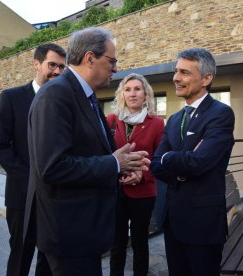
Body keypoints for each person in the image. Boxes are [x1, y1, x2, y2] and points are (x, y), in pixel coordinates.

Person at [25, 27, 150, 275]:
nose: (115, 69)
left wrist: (122, 170)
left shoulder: (86, 96)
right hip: (70, 235)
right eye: (112, 61)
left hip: (83, 232)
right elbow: (53, 167)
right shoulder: (56, 95)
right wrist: (114, 164)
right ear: (90, 58)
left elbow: (90, 154)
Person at [150, 48, 235, 276]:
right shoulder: (175, 119)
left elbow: (200, 162)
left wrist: (172, 159)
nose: (176, 78)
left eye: (185, 72)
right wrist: (179, 164)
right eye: (176, 71)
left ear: (207, 78)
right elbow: (156, 164)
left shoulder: (220, 114)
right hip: (173, 221)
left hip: (202, 224)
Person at [0, 43, 66, 276]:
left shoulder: (64, 102)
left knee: (48, 257)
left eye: (62, 67)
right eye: (52, 65)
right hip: (21, 196)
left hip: (54, 198)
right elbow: (1, 146)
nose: (57, 71)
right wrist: (32, 183)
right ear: (36, 63)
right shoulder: (12, 97)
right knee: (20, 255)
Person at [109, 73, 164, 275]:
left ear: (145, 94)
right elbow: (105, 154)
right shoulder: (112, 121)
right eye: (128, 89)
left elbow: (159, 159)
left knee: (140, 242)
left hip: (144, 193)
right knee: (117, 243)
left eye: (137, 89)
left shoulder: (157, 123)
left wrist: (143, 175)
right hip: (116, 192)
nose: (132, 93)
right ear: (122, 94)